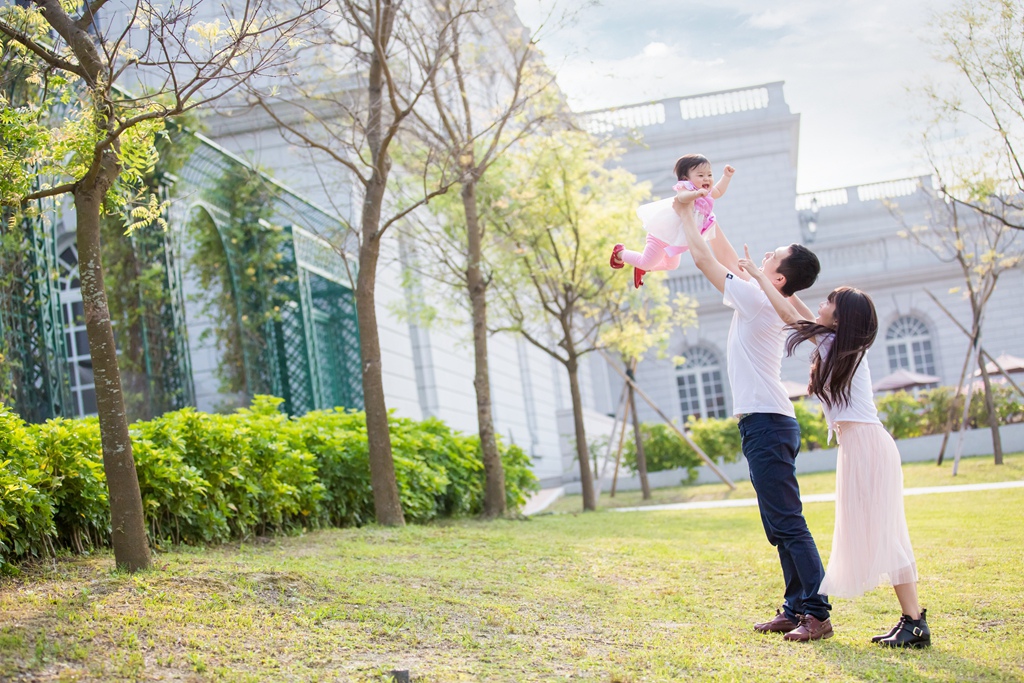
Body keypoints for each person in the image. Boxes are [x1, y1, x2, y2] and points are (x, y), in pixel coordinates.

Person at [733, 254, 932, 648]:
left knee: (890, 535)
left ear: (839, 319)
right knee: (887, 533)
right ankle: (910, 620)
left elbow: (790, 314)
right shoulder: (836, 343)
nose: (820, 304)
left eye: (828, 302)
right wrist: (764, 281)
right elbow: (801, 314)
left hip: (868, 447)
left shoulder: (835, 345)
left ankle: (914, 621)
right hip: (860, 447)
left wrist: (759, 275)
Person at [673, 195, 833, 642]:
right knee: (777, 525)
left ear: (778, 277)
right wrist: (708, 215)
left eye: (771, 257)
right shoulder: (763, 295)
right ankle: (794, 606)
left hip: (767, 421)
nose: (762, 256)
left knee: (788, 523)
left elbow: (707, 260)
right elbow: (726, 255)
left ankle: (817, 614)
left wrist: (684, 211)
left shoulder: (757, 300)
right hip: (765, 421)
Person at [610, 154, 734, 288]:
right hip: (661, 236)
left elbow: (719, 191)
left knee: (672, 265)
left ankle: (642, 268)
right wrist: (695, 194)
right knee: (646, 261)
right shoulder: (686, 188)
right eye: (700, 175)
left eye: (709, 175)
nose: (706, 178)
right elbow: (682, 197)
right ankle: (620, 253)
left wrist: (726, 177)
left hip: (674, 241)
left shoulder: (706, 193)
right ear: (687, 178)